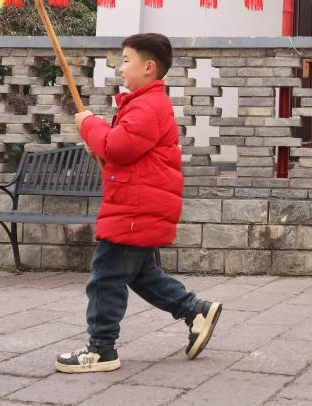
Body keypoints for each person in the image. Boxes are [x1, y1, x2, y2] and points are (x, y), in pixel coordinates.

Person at [55, 33, 221, 373]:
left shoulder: (147, 106)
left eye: (126, 60)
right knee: (142, 275)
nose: (121, 67)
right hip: (137, 205)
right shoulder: (146, 103)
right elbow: (124, 152)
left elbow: (116, 147)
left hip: (134, 208)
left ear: (149, 67)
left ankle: (101, 348)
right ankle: (195, 311)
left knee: (105, 277)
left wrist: (89, 125)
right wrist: (99, 141)